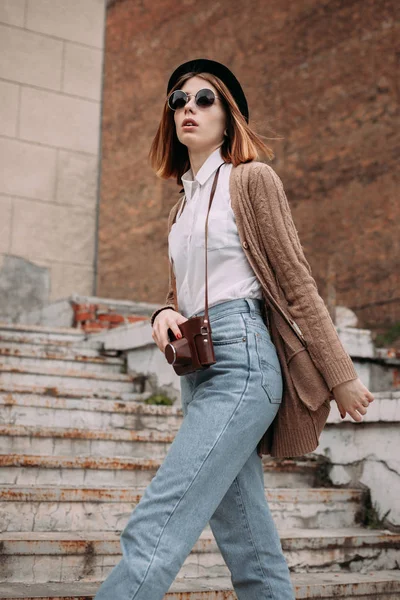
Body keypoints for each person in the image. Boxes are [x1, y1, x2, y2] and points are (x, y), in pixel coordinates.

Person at [94, 58, 374, 600]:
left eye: (204, 99)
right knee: (245, 535)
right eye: (179, 100)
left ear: (229, 115)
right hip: (196, 369)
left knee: (161, 515)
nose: (188, 109)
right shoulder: (181, 208)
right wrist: (160, 315)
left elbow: (296, 282)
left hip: (244, 363)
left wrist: (340, 376)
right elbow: (179, 296)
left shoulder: (251, 180)